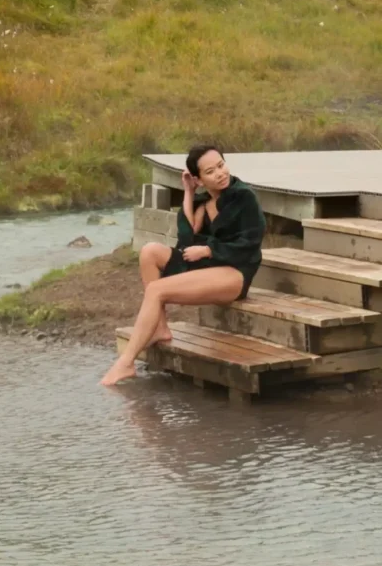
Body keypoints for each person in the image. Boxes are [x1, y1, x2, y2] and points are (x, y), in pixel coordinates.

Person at [100, 144, 266, 386]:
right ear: (199, 179)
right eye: (210, 172)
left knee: (157, 290)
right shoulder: (203, 201)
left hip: (235, 273)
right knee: (149, 252)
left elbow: (251, 242)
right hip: (207, 268)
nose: (220, 173)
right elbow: (186, 242)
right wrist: (188, 193)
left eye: (221, 165)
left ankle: (125, 363)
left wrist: (209, 249)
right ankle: (160, 328)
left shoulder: (244, 197)